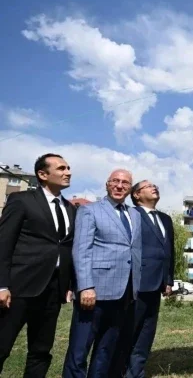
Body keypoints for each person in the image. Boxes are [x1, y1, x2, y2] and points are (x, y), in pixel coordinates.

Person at [0, 154, 75, 377]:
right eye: (61, 168)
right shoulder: (22, 200)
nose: (68, 172)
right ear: (42, 174)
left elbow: (67, 248)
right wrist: (1, 285)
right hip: (19, 288)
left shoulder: (70, 208)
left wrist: (68, 284)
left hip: (53, 291)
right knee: (2, 347)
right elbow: (4, 243)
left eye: (68, 167)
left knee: (41, 351)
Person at [63, 169, 143, 377]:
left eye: (125, 183)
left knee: (106, 349)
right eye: (115, 181)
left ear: (130, 188)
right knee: (80, 350)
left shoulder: (134, 214)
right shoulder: (90, 211)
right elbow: (81, 250)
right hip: (94, 292)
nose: (119, 185)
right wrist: (85, 286)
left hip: (124, 292)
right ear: (107, 184)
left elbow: (134, 250)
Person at [113, 180, 175, 377]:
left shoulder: (165, 219)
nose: (154, 187)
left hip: (157, 284)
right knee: (129, 330)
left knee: (146, 333)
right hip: (136, 282)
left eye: (155, 185)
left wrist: (169, 279)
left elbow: (169, 251)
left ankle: (136, 372)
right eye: (148, 186)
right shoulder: (131, 215)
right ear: (137, 195)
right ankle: (119, 371)